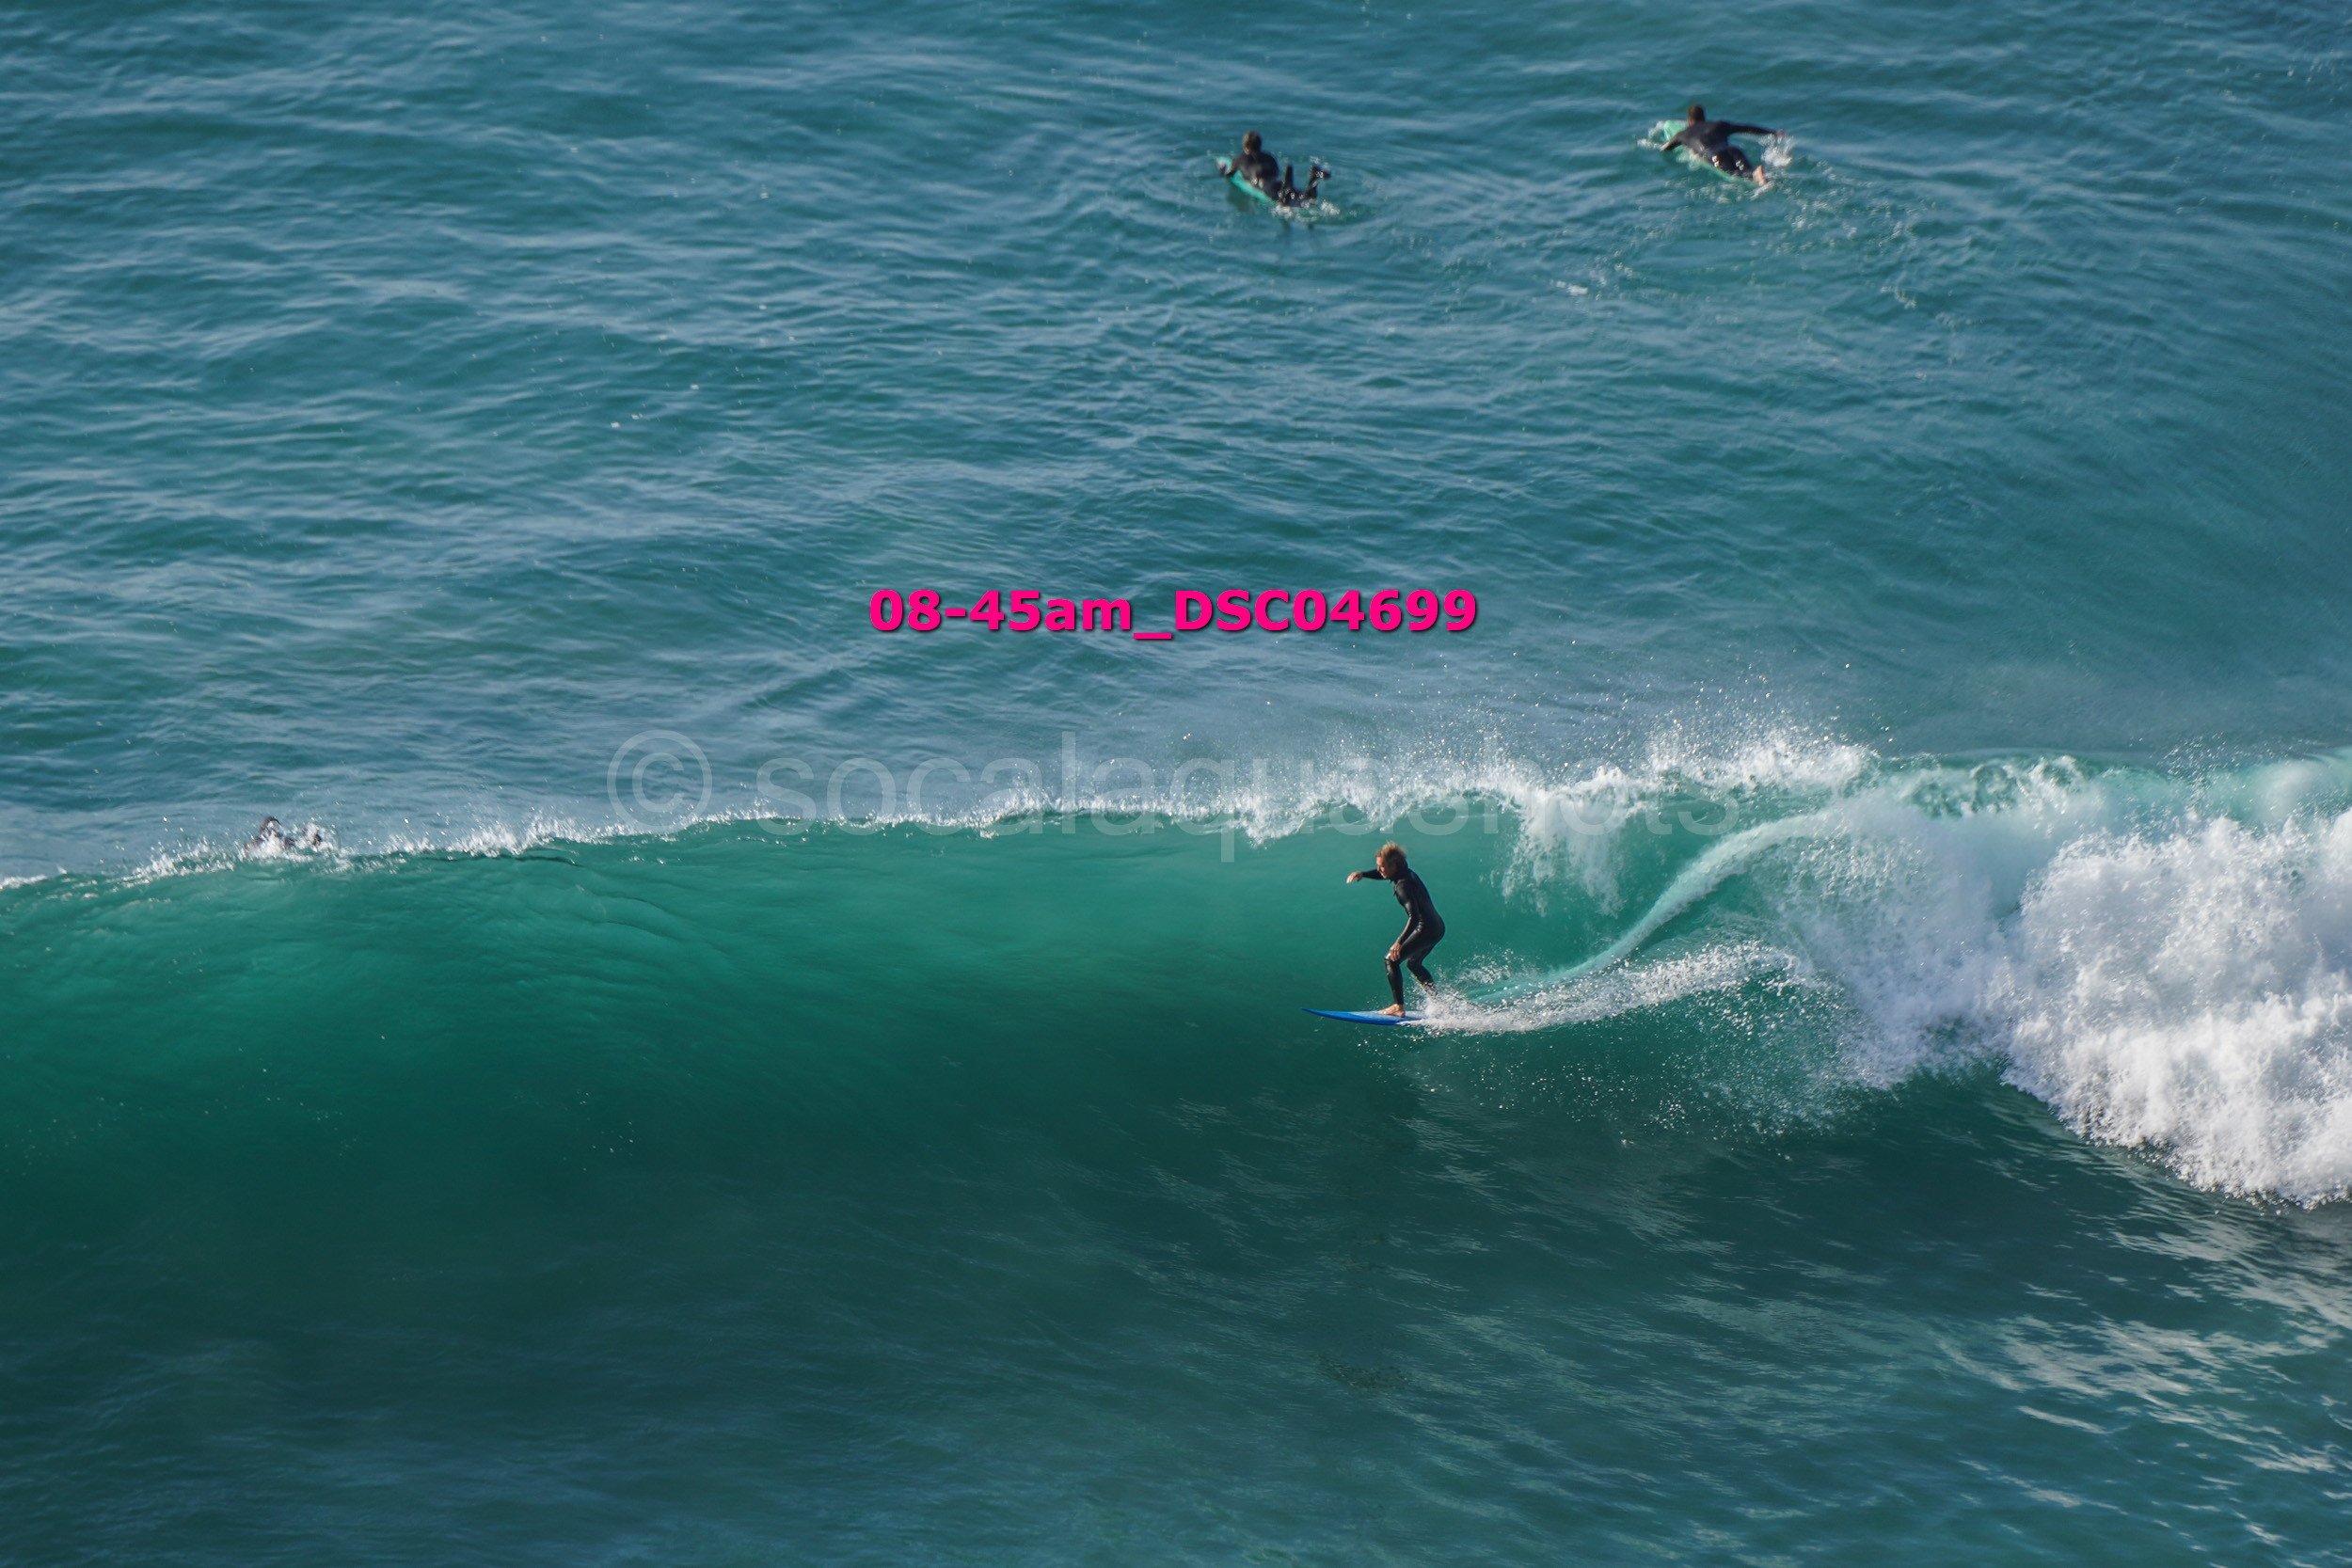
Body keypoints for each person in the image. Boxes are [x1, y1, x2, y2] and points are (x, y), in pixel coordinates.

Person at [1346, 841, 1445, 1016]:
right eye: (1378, 866)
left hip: (1426, 928)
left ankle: (1398, 1007)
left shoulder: (1402, 887)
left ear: (1395, 865)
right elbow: (1384, 875)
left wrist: (1398, 942)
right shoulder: (1407, 873)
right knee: (1413, 963)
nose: (1380, 870)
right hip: (1437, 926)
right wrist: (1363, 874)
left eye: (1383, 866)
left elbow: (1414, 917)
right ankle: (1438, 1002)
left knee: (1391, 960)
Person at [1663, 103, 1783, 183]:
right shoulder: (1719, 125)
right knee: (1748, 169)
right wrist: (1773, 132)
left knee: (1732, 173)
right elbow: (1746, 128)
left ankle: (1755, 174)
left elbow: (1667, 148)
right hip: (1733, 149)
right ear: (1704, 117)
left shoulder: (1683, 134)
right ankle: (1757, 173)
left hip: (1715, 155)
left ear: (1689, 120)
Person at [1227, 131, 1327, 208]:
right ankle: (1313, 178)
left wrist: (1223, 171)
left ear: (1246, 146)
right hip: (1278, 182)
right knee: (1305, 198)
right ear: (1260, 145)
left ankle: (1291, 189)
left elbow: (1229, 174)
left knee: (1283, 201)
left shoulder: (1239, 160)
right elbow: (1277, 172)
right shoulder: (1270, 157)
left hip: (1264, 185)